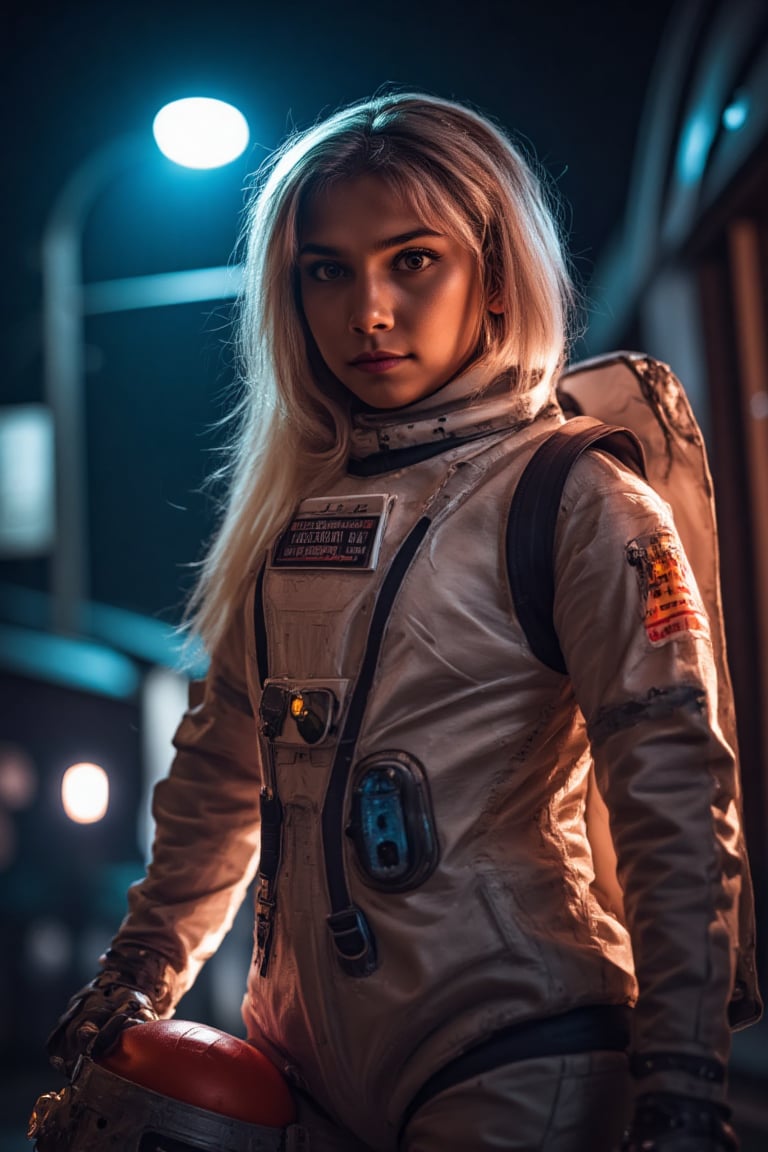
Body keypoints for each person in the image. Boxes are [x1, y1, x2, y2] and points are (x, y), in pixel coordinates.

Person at [45, 91, 760, 1151]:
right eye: (326, 269)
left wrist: (684, 1072)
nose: (367, 310)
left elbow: (672, 790)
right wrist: (135, 978)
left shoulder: (577, 497)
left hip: (520, 1042)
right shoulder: (284, 520)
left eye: (412, 260)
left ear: (496, 271)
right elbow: (218, 785)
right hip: (301, 1059)